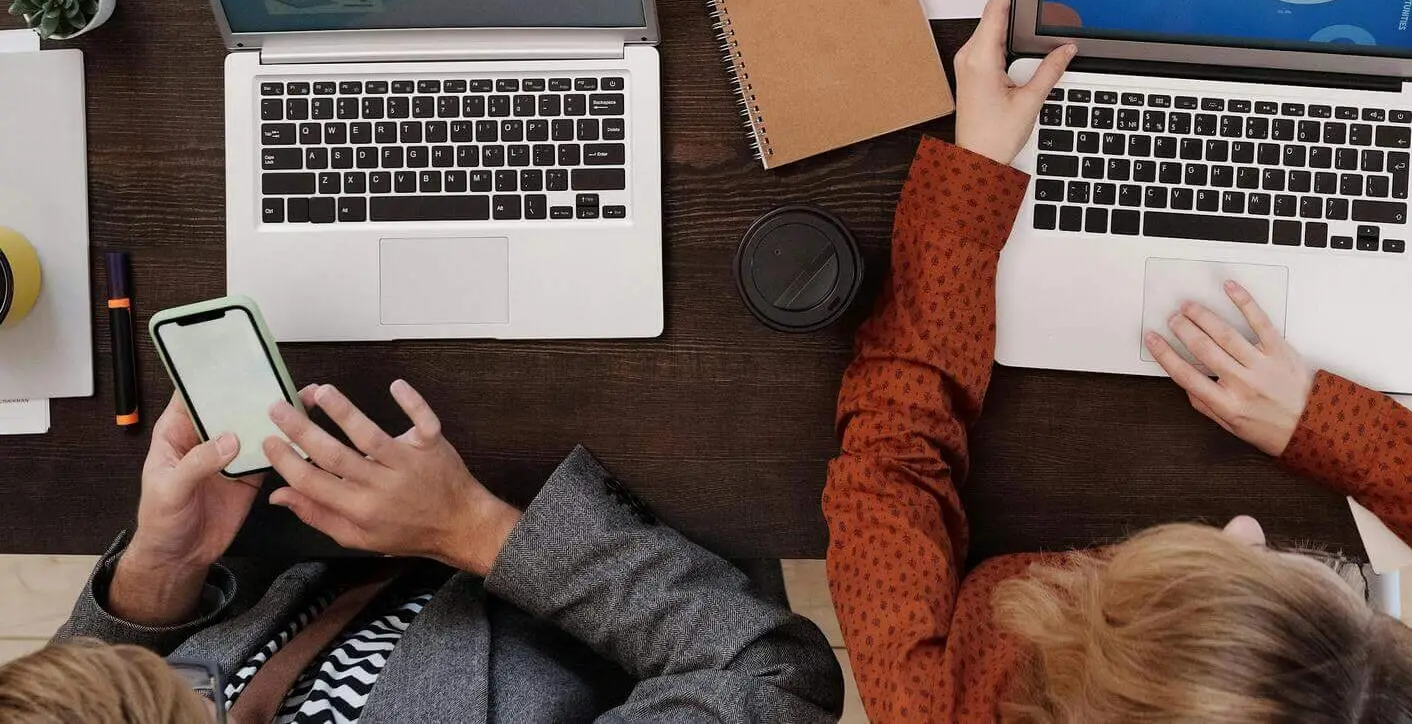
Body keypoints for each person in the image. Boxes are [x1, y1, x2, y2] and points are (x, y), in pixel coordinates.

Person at [823, 0, 1412, 724]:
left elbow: (890, 458)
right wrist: (1324, 423)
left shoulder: (933, 701)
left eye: (1207, 584)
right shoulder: (1377, 709)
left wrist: (973, 172)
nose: (1245, 524)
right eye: (1337, 596)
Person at [3, 377, 841, 724]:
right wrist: (470, 528)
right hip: (617, 517)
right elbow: (773, 673)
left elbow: (86, 685)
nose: (202, 679)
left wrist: (163, 563)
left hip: (331, 515)